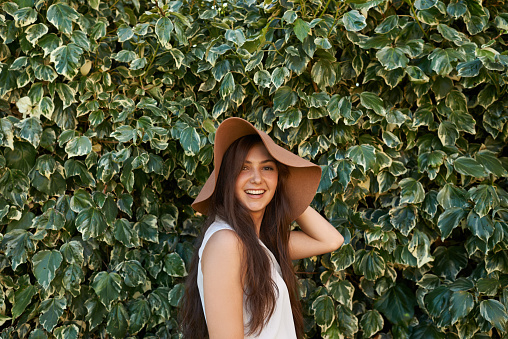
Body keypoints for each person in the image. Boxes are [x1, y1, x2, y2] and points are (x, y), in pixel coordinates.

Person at [180, 117, 344, 339]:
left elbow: (330, 240)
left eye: (267, 167)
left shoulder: (259, 241)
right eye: (243, 168)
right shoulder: (227, 243)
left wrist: (285, 189)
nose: (257, 179)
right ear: (227, 178)